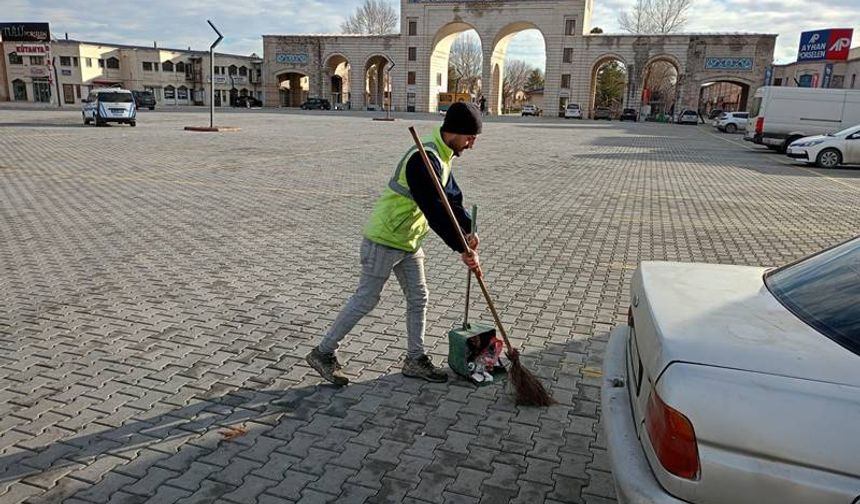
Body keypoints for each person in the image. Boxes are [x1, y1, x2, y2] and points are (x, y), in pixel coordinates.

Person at [306, 102, 483, 386]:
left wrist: (469, 229)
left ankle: (415, 359)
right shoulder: (422, 158)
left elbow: (452, 198)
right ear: (454, 131)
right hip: (385, 239)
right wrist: (462, 248)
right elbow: (435, 209)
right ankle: (323, 352)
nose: (472, 144)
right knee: (366, 299)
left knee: (419, 297)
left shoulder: (442, 155)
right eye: (470, 137)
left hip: (408, 241)